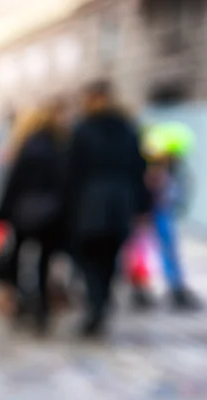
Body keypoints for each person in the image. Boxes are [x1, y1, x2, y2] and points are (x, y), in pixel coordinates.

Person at [65, 80, 151, 337]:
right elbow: (139, 169)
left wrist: (68, 205)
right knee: (110, 255)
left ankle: (96, 304)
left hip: (90, 203)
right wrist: (141, 206)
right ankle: (102, 300)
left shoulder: (83, 129)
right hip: (121, 202)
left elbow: (72, 172)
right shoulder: (128, 128)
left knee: (90, 256)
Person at [0, 101, 69, 334]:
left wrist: (0, 212)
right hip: (54, 214)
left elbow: (12, 184)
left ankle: (22, 304)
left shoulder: (27, 146)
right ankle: (42, 308)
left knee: (18, 259)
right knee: (44, 263)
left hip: (25, 213)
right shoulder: (61, 147)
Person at [136, 121, 201, 310]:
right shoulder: (153, 167)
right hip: (152, 212)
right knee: (145, 250)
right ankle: (143, 287)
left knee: (165, 249)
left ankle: (174, 287)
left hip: (161, 211)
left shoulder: (171, 166)